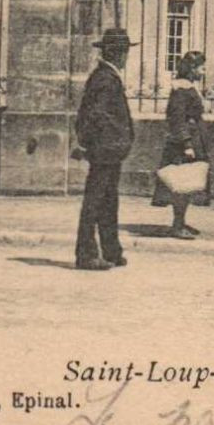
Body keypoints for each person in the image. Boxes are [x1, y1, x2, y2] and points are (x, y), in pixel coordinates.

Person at [73, 28, 136, 271]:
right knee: (95, 202)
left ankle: (111, 250)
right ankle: (87, 254)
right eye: (124, 51)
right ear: (117, 53)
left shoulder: (107, 76)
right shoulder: (105, 79)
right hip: (105, 150)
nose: (126, 56)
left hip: (109, 150)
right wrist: (99, 142)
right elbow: (95, 115)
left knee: (109, 201)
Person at [152, 50, 211, 239]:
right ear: (192, 68)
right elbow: (177, 120)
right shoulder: (181, 89)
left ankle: (181, 221)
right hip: (183, 144)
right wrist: (187, 144)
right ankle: (177, 225)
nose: (203, 71)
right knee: (182, 184)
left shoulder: (188, 87)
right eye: (201, 67)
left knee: (188, 184)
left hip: (192, 140)